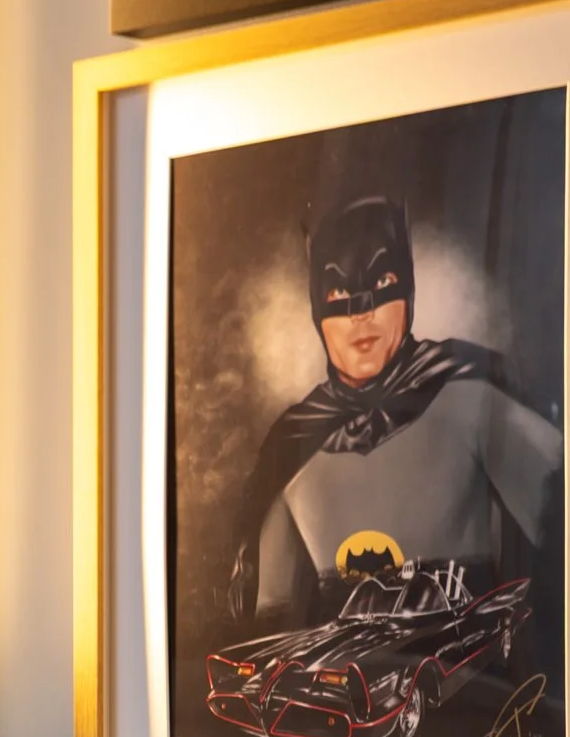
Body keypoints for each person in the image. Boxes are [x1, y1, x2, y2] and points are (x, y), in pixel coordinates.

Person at [230, 189, 567, 624]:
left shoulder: (474, 398)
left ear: (407, 290)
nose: (361, 312)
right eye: (339, 291)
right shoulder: (290, 448)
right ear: (317, 308)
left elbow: (561, 527)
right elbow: (271, 629)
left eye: (381, 283)